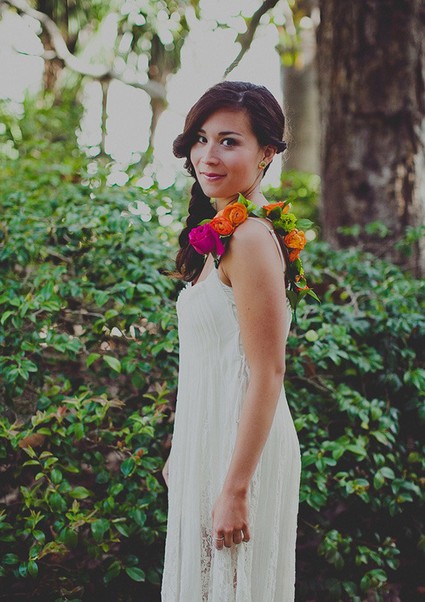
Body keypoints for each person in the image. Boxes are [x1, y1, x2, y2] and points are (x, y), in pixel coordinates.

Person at [161, 81, 301, 602]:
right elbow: (215, 357)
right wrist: (182, 448)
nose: (208, 155)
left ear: (267, 153)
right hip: (210, 439)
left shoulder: (250, 238)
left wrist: (237, 488)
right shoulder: (225, 232)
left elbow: (268, 372)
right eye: (201, 139)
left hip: (240, 452)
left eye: (229, 141)